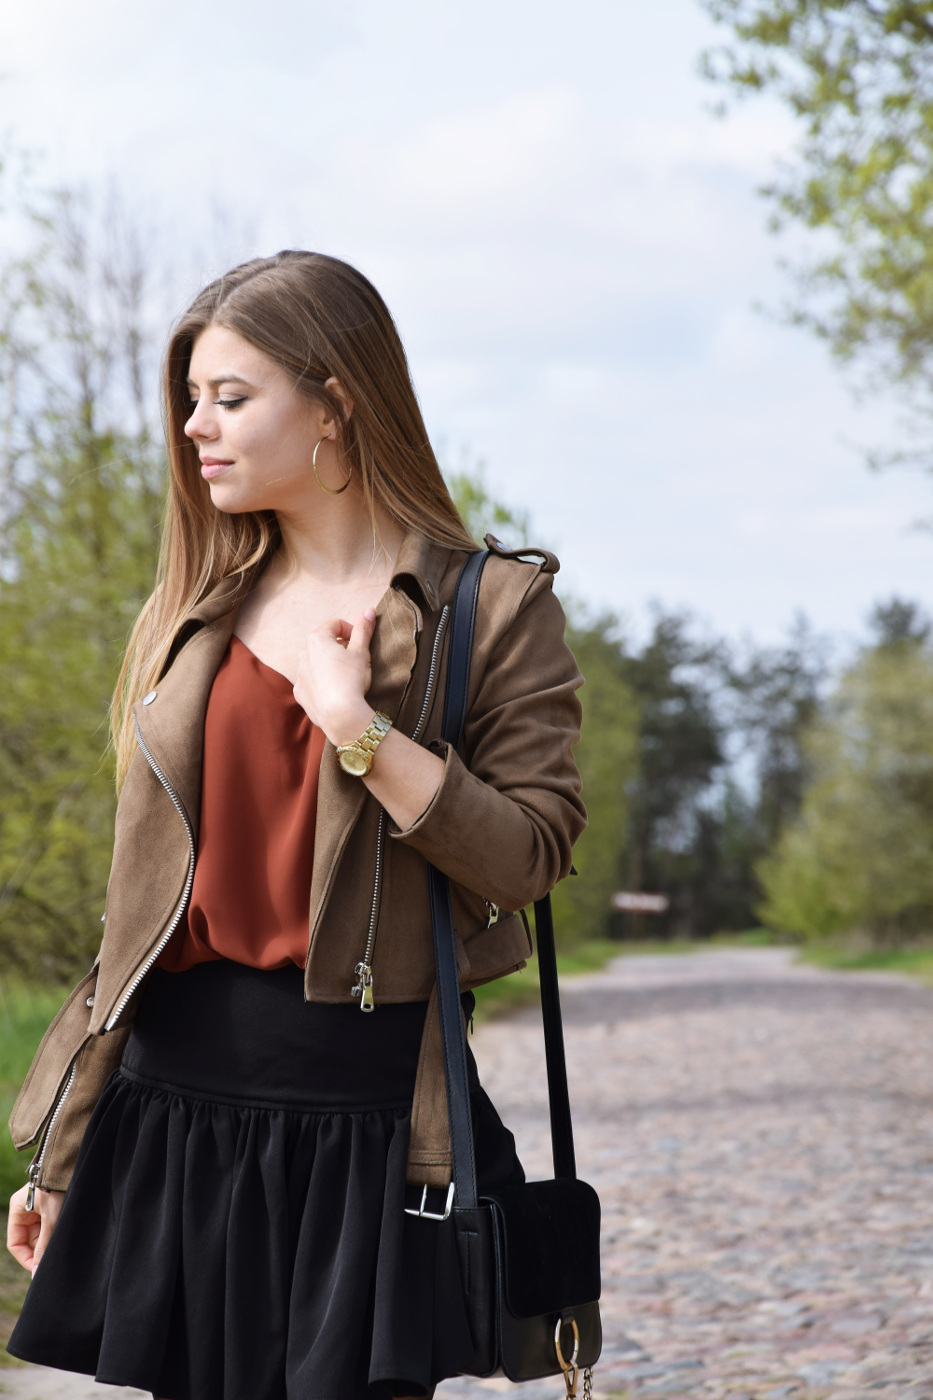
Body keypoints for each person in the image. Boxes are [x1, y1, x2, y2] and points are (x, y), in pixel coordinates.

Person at [4, 250, 586, 1400]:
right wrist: (63, 1152)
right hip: (173, 1119)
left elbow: (527, 855)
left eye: (230, 396)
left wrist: (355, 725)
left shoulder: (491, 606)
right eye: (191, 398)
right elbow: (136, 925)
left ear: (335, 405)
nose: (193, 427)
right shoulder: (193, 613)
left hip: (368, 1125)